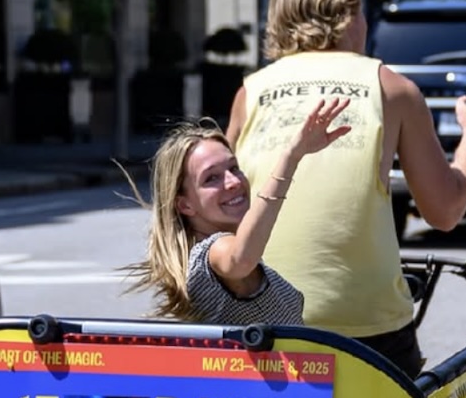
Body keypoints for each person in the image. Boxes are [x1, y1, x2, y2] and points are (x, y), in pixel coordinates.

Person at [226, 0, 466, 377]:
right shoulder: (391, 88)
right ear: (349, 17)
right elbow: (443, 212)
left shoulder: (250, 93)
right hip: (365, 332)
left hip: (260, 322)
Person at [126, 97, 350, 325]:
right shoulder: (212, 251)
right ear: (184, 205)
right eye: (211, 178)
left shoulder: (224, 247)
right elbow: (240, 259)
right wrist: (291, 157)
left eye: (234, 167)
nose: (233, 181)